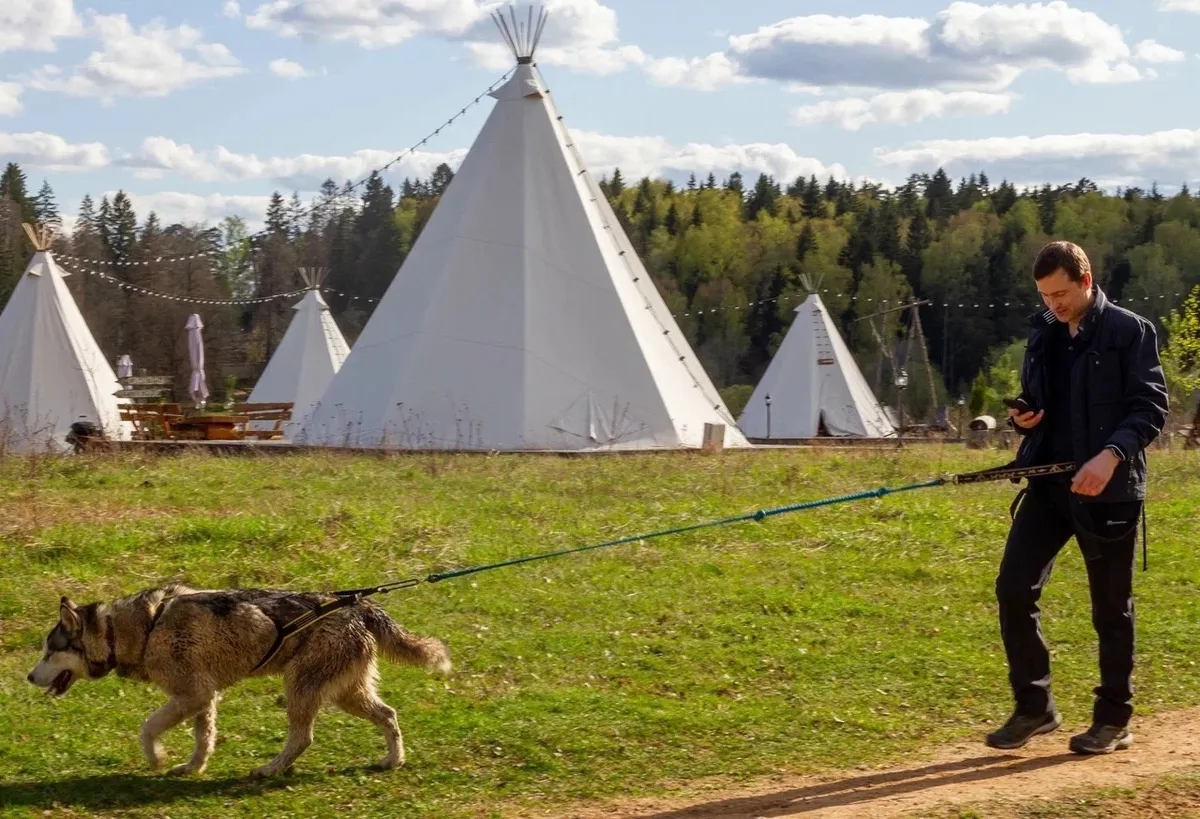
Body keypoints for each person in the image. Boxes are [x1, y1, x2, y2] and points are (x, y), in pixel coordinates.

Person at [985, 240, 1169, 755]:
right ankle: (1034, 707)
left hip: (1108, 489)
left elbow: (1151, 408)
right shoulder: (1042, 329)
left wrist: (1110, 454)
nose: (1054, 304)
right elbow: (1038, 397)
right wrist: (1023, 417)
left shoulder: (1129, 331)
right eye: (1046, 295)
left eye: (1062, 293)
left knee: (1111, 609)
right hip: (1048, 484)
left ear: (1086, 281)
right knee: (1013, 587)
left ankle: (1113, 719)